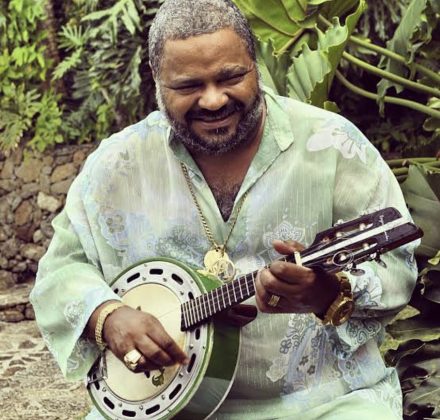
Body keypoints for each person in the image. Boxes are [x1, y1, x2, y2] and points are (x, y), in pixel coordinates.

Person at [30, 0, 419, 418]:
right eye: (188, 86)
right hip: (163, 406)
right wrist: (107, 317)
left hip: (323, 399)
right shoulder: (117, 164)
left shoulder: (333, 145)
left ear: (255, 65)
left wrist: (326, 291)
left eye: (231, 77)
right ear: (158, 83)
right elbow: (60, 271)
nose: (214, 100)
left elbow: (397, 268)